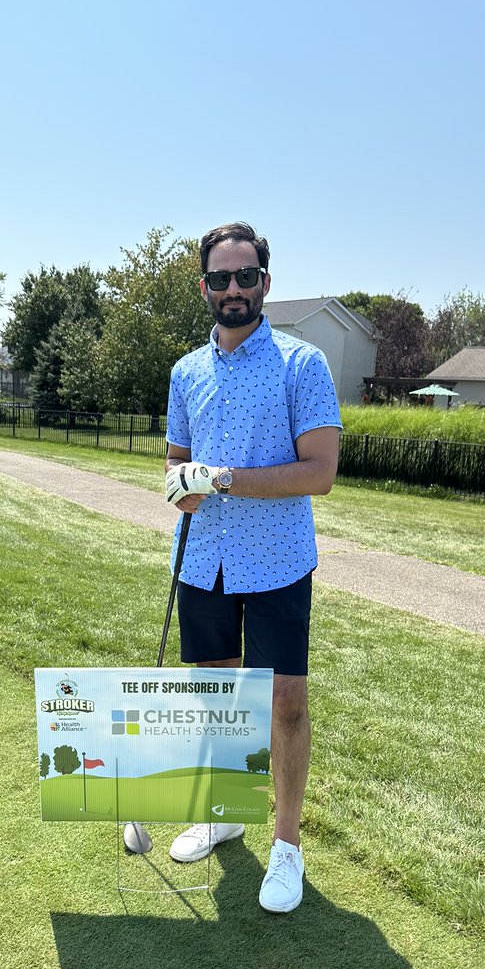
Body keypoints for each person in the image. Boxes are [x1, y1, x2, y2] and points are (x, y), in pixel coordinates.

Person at [159, 221, 341, 913]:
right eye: (219, 278)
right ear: (204, 286)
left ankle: (286, 846)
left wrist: (226, 479)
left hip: (278, 564)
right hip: (203, 558)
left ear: (265, 282)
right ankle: (225, 811)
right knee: (215, 703)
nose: (232, 289)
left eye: (245, 276)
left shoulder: (303, 364)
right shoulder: (185, 370)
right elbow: (178, 462)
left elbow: (320, 473)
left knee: (285, 706)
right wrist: (179, 484)